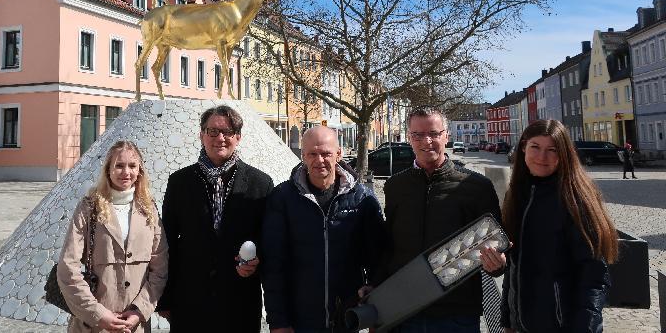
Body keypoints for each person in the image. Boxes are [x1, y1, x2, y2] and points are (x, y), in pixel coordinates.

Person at [480, 119, 618, 333]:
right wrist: (508, 321)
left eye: (552, 150)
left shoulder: (575, 199)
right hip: (523, 325)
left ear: (563, 154)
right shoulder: (517, 194)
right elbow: (514, 266)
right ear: (524, 146)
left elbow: (594, 277)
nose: (542, 157)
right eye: (535, 147)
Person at [380, 106, 501, 333]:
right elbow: (388, 246)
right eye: (418, 135)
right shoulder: (395, 186)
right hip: (403, 310)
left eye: (434, 134)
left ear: (446, 135)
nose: (426, 141)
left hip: (456, 314)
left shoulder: (476, 187)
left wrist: (497, 265)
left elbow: (496, 245)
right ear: (409, 138)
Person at [156, 105, 274, 333]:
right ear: (201, 135)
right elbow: (167, 239)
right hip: (190, 301)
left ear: (238, 137)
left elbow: (268, 238)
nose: (220, 138)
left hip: (239, 300)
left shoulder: (261, 183)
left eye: (227, 132)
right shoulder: (179, 182)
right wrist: (166, 297)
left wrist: (256, 259)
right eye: (212, 131)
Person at [261, 126, 385, 333]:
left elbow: (378, 258)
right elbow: (273, 265)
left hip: (347, 318)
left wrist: (376, 305)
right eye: (312, 154)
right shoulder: (283, 197)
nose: (319, 160)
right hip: (299, 319)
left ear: (339, 154)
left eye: (326, 153)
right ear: (302, 156)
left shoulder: (363, 199)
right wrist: (279, 321)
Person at [58, 140, 168, 333]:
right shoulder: (89, 207)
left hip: (136, 325)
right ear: (108, 169)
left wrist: (139, 311)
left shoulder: (148, 209)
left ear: (139, 170)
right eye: (119, 165)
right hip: (94, 324)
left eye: (132, 166)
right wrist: (97, 313)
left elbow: (160, 268)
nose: (126, 172)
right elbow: (68, 268)